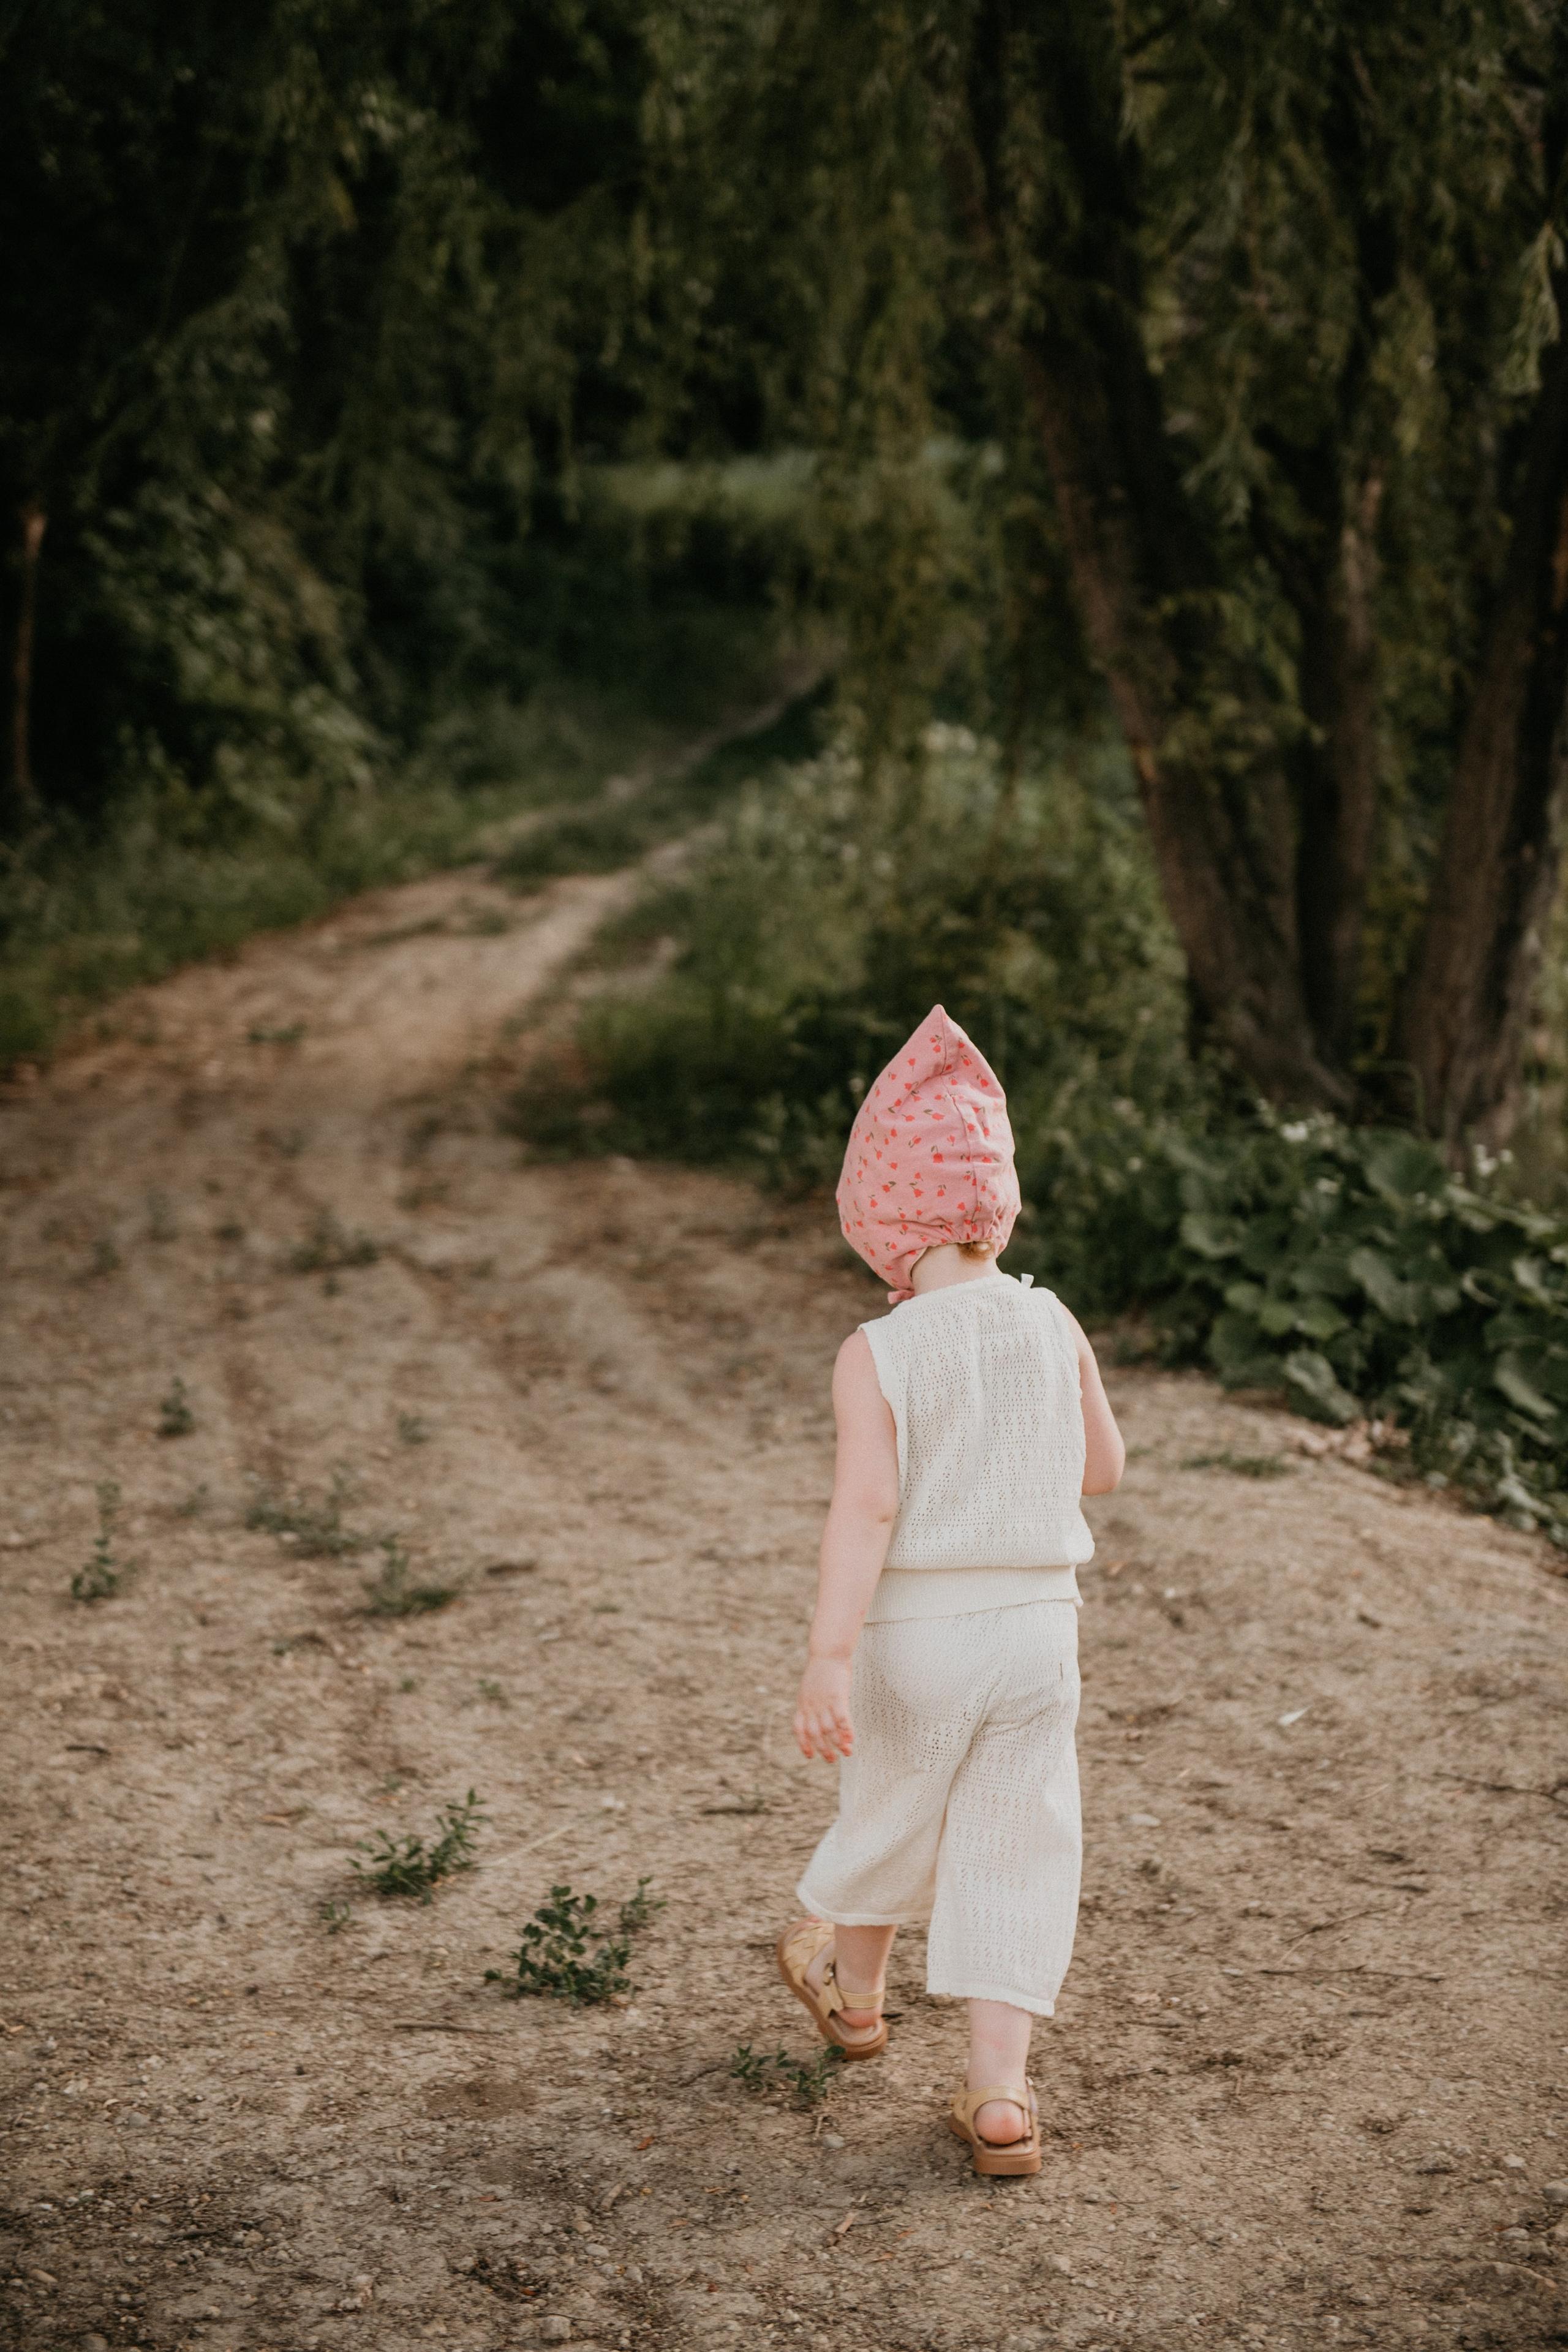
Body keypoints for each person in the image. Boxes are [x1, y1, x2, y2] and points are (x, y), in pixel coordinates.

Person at [774, 1005, 1125, 2177]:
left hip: (919, 1635)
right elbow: (1104, 1470)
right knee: (1015, 1846)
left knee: (891, 1809)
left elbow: (868, 1510)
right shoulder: (1051, 1318)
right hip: (1039, 1637)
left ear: (877, 1215)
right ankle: (1001, 2101)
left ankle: (860, 2004)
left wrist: (830, 1656)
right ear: (996, 1201)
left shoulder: (879, 1351)